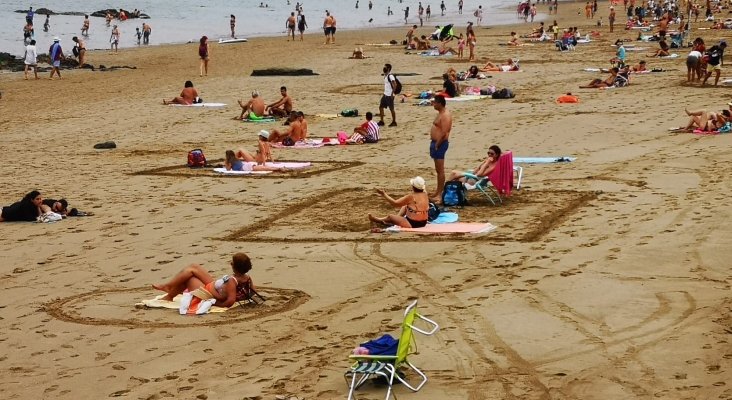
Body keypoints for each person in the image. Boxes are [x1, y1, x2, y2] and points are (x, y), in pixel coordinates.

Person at [152, 252, 255, 308]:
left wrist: (215, 303)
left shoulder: (233, 281)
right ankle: (169, 289)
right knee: (193, 267)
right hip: (214, 286)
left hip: (210, 292)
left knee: (189, 279)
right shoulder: (247, 277)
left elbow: (230, 301)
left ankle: (169, 292)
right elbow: (252, 292)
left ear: (234, 266)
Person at [429, 95, 452, 202]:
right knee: (438, 170)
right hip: (436, 143)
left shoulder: (445, 115)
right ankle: (438, 191)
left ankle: (440, 193)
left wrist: (438, 144)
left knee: (441, 170)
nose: (433, 104)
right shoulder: (440, 114)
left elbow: (444, 132)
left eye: (435, 102)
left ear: (440, 103)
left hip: (440, 144)